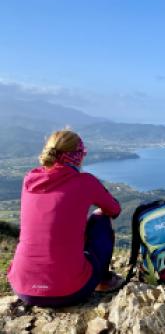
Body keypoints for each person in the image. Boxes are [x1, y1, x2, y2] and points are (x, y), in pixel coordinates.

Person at [7, 129, 123, 307]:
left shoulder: (30, 179)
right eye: (82, 154)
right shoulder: (85, 182)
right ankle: (102, 281)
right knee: (100, 219)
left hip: (23, 288)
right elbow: (114, 210)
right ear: (77, 156)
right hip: (69, 291)